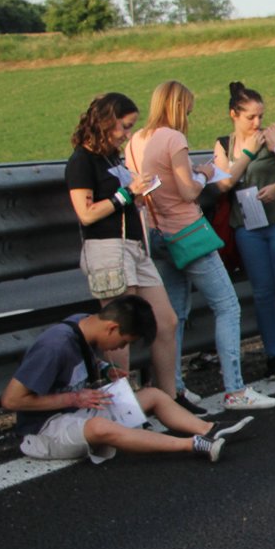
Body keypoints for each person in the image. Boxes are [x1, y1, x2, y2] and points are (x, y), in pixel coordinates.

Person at [127, 80, 275, 411]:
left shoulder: (137, 139)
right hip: (187, 231)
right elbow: (190, 192)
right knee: (227, 306)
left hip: (157, 233)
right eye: (189, 111)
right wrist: (204, 171)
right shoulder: (174, 138)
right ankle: (235, 390)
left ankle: (174, 388)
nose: (189, 119)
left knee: (174, 315)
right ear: (179, 108)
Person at [1, 295, 253, 464]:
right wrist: (73, 398)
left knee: (154, 395)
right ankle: (193, 444)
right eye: (124, 341)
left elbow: (72, 369)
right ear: (111, 327)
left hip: (78, 410)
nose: (120, 347)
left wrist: (103, 367)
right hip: (44, 431)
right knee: (102, 429)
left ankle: (209, 429)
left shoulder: (84, 325)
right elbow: (11, 400)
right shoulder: (54, 346)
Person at [66, 94, 181, 401]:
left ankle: (168, 398)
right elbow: (86, 212)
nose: (128, 134)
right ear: (106, 122)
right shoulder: (82, 160)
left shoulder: (111, 157)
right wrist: (126, 195)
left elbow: (126, 196)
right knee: (119, 329)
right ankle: (124, 404)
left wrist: (140, 193)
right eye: (125, 127)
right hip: (106, 248)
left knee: (165, 320)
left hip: (135, 245)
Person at [210, 81, 275, 382]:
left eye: (260, 116)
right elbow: (224, 183)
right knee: (263, 294)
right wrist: (248, 154)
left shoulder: (272, 136)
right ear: (233, 115)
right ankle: (273, 356)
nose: (257, 123)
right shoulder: (224, 144)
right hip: (248, 227)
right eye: (250, 117)